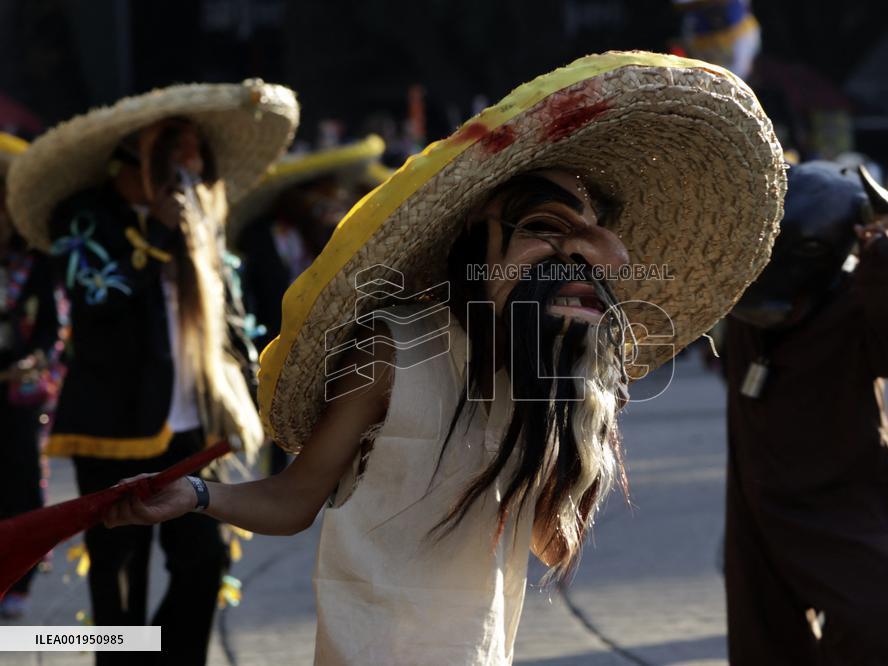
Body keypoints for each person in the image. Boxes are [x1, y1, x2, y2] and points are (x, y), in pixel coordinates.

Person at [104, 51, 787, 664]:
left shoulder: (541, 378)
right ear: (476, 241)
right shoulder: (395, 352)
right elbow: (294, 498)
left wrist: (575, 408)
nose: (576, 257)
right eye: (546, 230)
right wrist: (193, 495)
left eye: (590, 242)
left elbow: (552, 541)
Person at [6, 81, 298, 665]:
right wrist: (162, 232)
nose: (191, 162)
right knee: (119, 574)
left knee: (205, 559)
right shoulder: (82, 216)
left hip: (189, 421)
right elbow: (97, 300)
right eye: (178, 147)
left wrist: (269, 384)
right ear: (138, 152)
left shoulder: (198, 218)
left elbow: (228, 309)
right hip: (111, 422)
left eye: (196, 151)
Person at [723, 161, 888, 666]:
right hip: (763, 502)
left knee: (872, 631)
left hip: (849, 498)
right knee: (767, 646)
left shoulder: (856, 299)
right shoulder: (743, 303)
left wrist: (885, 259)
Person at [231, 136, 393, 473]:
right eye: (315, 195)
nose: (323, 203)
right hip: (272, 331)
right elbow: (260, 286)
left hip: (326, 335)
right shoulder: (261, 233)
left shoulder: (327, 233)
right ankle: (275, 472)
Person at [0, 132, 62, 619]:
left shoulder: (37, 263)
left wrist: (36, 357)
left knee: (22, 478)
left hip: (18, 389)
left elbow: (51, 327)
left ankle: (21, 574)